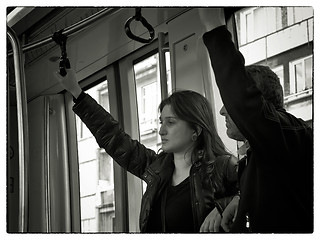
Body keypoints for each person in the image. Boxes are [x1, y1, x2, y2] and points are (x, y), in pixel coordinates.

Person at [54, 69, 238, 233]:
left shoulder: (223, 167)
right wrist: (76, 92)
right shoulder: (157, 167)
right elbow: (115, 138)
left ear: (195, 131)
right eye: (161, 122)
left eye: (171, 122)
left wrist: (223, 207)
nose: (161, 130)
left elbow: (256, 197)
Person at [199, 8, 313, 233]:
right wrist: (239, 201)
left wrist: (213, 26)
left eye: (230, 104)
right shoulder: (260, 153)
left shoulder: (289, 135)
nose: (223, 111)